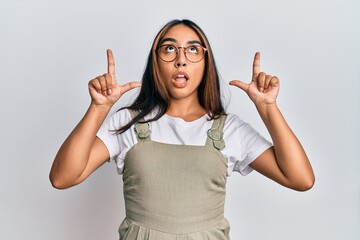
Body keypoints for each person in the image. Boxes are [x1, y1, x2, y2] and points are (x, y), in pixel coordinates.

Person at [49, 19, 315, 239]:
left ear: (205, 62)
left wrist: (268, 108)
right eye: (169, 49)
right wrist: (99, 108)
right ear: (156, 62)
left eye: (193, 49)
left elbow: (301, 179)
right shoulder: (128, 123)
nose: (181, 59)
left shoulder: (229, 129)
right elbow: (62, 178)